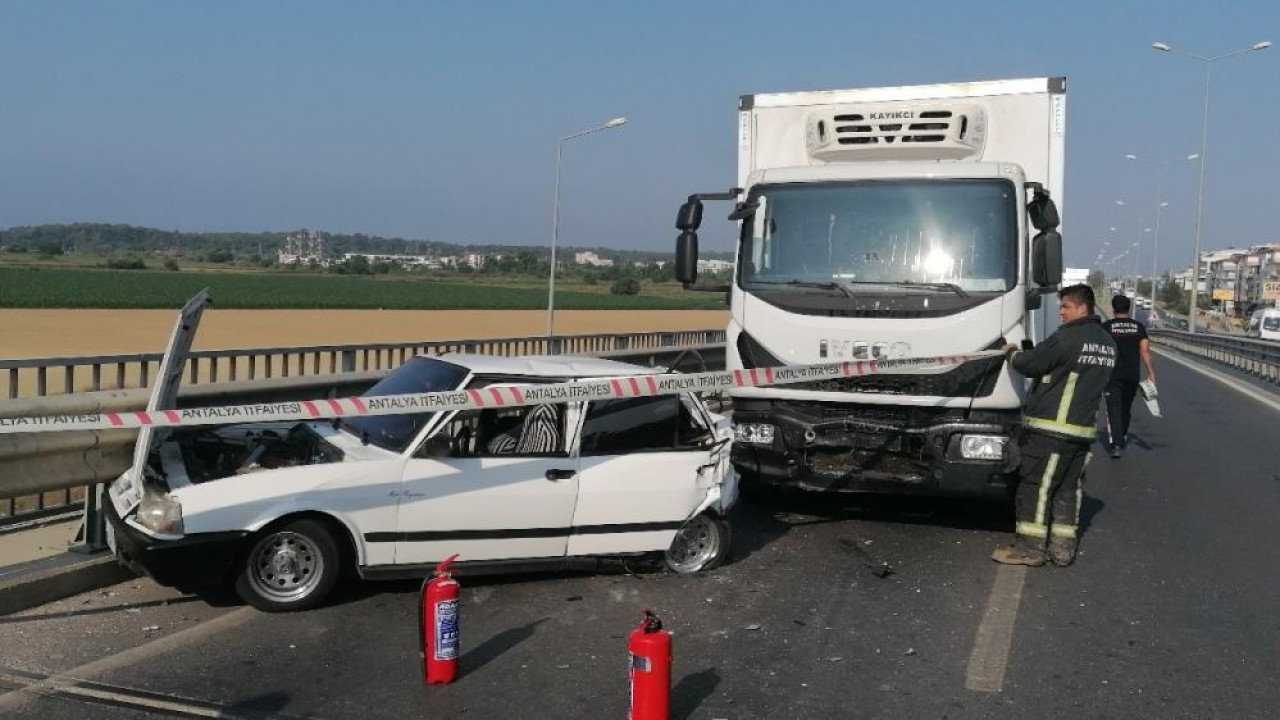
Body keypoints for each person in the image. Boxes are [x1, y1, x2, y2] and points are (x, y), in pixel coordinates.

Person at [992, 284, 1116, 567]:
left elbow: (1031, 364)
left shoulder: (1066, 338)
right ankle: (1062, 550)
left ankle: (1030, 548)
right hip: (1082, 433)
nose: (1061, 312)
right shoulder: (1108, 344)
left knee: (1036, 486)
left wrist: (1011, 352)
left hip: (1051, 430)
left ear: (1083, 308)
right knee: (1068, 490)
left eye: (1066, 307)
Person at [1102, 295, 1156, 458]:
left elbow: (1100, 350)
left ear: (1113, 308)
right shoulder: (1138, 327)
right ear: (1129, 308)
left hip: (1112, 374)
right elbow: (1145, 351)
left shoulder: (1106, 327)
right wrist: (1151, 373)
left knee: (1113, 408)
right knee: (1125, 408)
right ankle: (1122, 436)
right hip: (1132, 374)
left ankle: (1117, 443)